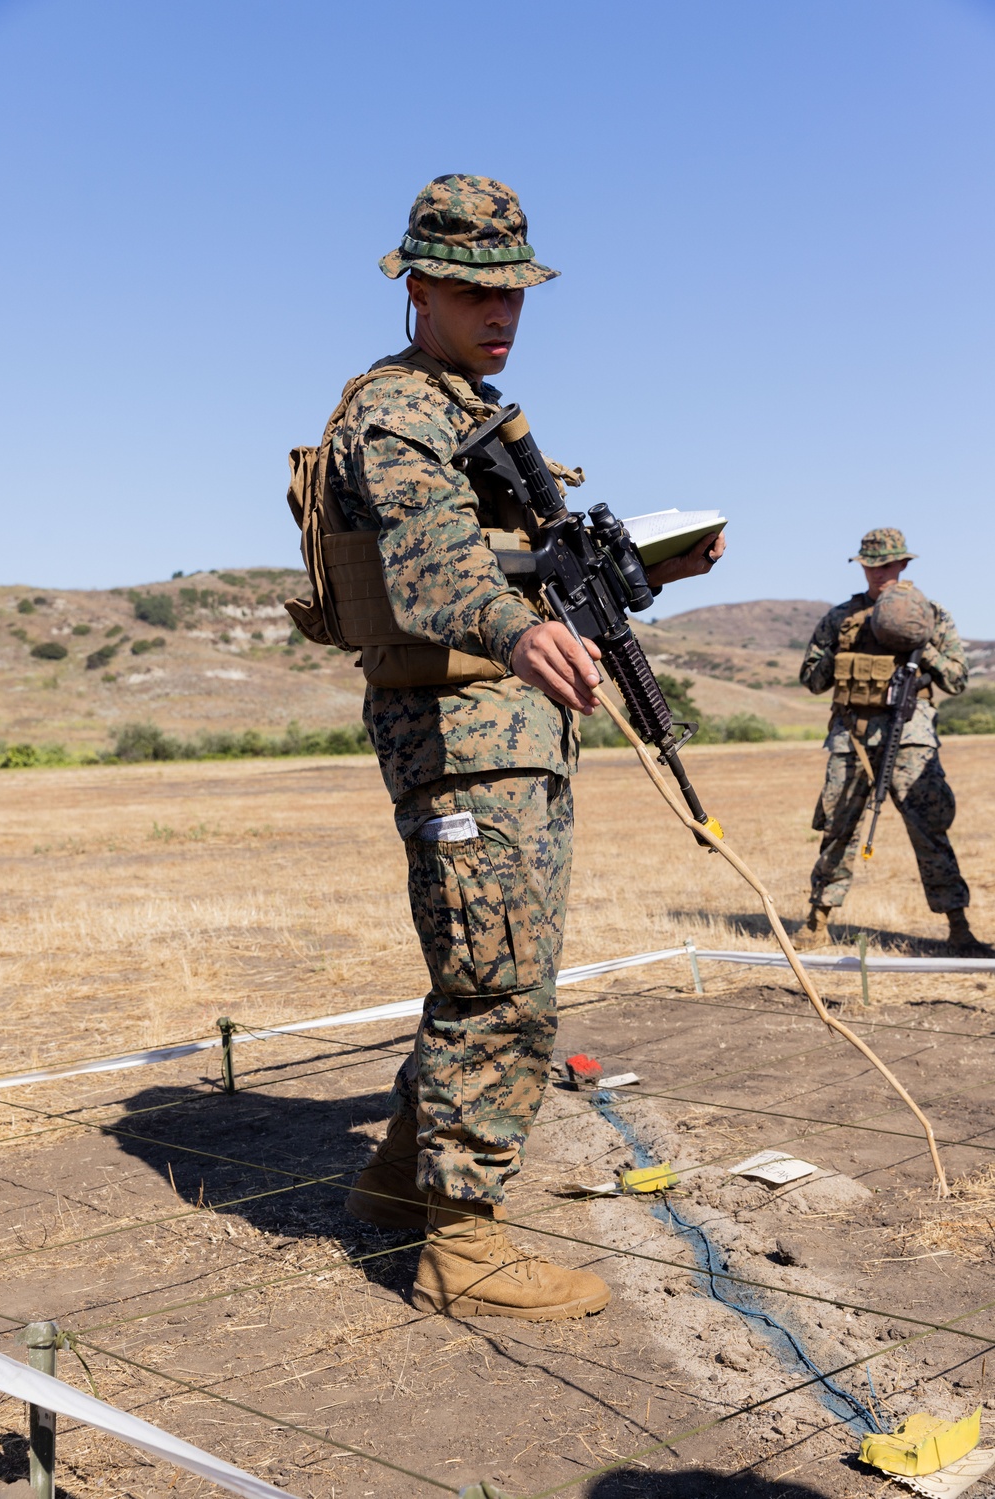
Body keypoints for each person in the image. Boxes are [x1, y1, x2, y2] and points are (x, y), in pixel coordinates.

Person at [326, 174, 725, 1321]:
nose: (499, 310)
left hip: (508, 730)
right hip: (460, 728)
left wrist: (643, 572)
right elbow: (436, 563)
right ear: (416, 285)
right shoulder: (397, 411)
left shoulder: (470, 408)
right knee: (500, 982)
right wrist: (515, 626)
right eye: (470, 289)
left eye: (514, 291)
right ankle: (464, 1246)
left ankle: (406, 1180)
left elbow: (519, 565)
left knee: (493, 965)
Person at [795, 527, 987, 954]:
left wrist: (923, 644)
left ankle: (959, 930)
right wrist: (841, 651)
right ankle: (816, 922)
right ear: (862, 566)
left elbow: (957, 680)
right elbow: (811, 680)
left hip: (912, 739)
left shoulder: (931, 614)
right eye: (873, 565)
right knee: (837, 830)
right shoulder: (839, 617)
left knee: (931, 833)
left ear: (903, 564)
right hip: (853, 737)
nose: (880, 572)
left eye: (888, 565)